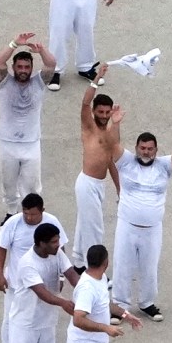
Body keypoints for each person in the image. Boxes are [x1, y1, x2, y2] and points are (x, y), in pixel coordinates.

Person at [115, 124, 172, 318]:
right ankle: (119, 305)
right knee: (122, 265)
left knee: (150, 267)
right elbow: (113, 143)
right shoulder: (125, 162)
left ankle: (147, 303)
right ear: (136, 148)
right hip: (127, 226)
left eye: (150, 149)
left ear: (156, 150)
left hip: (152, 229)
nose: (146, 152)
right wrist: (116, 123)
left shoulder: (164, 166)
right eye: (142, 148)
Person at [3, 216, 71, 343]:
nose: (59, 244)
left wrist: (86, 291)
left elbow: (71, 274)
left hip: (47, 319)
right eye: (54, 242)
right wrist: (65, 303)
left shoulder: (57, 254)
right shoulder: (27, 263)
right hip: (26, 321)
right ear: (42, 244)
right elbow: (42, 293)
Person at [0, 34, 51, 218]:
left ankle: (32, 214)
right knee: (8, 182)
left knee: (32, 184)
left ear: (32, 68)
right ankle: (10, 213)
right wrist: (14, 43)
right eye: (20, 67)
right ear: (13, 68)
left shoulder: (39, 83)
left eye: (27, 67)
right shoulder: (4, 82)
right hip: (7, 142)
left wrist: (41, 51)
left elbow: (51, 65)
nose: (23, 70)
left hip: (31, 143)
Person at [74, 68, 122, 252]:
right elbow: (85, 103)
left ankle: (79, 260)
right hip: (87, 183)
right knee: (94, 228)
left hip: (99, 185)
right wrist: (96, 79)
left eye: (107, 112)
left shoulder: (110, 131)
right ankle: (93, 268)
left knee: (85, 223)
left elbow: (112, 161)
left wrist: (120, 189)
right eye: (100, 111)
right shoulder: (89, 126)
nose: (103, 115)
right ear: (94, 111)